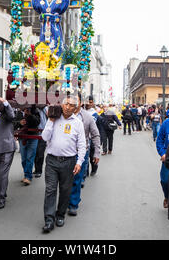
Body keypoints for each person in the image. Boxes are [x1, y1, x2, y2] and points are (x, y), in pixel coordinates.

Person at [41, 96, 86, 233]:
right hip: (52, 160)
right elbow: (44, 137)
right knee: (50, 189)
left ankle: (60, 215)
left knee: (65, 190)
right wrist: (50, 121)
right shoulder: (54, 118)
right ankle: (49, 219)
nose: (67, 107)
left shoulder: (77, 123)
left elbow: (82, 144)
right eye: (66, 104)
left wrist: (79, 162)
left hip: (69, 161)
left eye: (71, 105)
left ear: (75, 108)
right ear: (61, 104)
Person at [67, 93, 101, 217]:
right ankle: (66, 200)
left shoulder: (87, 117)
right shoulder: (63, 115)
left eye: (76, 100)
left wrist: (96, 152)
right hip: (65, 153)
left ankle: (73, 204)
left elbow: (95, 135)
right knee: (65, 180)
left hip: (81, 153)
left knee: (76, 179)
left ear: (81, 102)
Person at [15, 106, 41, 185]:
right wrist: (20, 122)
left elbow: (37, 122)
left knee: (30, 157)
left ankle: (28, 176)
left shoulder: (35, 110)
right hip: (22, 137)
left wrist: (30, 115)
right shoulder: (19, 111)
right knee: (23, 159)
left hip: (33, 137)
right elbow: (14, 123)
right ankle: (26, 174)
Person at [33, 105, 48, 178]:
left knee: (40, 153)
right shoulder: (34, 108)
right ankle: (36, 169)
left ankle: (39, 170)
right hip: (34, 133)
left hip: (43, 134)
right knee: (35, 153)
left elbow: (49, 115)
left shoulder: (45, 108)